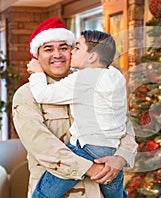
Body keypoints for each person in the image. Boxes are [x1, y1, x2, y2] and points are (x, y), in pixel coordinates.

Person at [12, 17, 137, 198]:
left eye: (64, 48)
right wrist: (91, 168)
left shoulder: (96, 81)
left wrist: (121, 158)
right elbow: (42, 145)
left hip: (97, 192)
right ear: (37, 56)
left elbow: (123, 125)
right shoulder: (26, 95)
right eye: (48, 49)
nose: (57, 54)